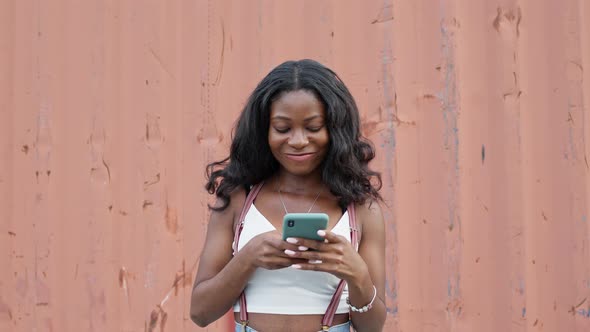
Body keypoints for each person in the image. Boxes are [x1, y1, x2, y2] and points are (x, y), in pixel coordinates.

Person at [190, 59, 386, 332]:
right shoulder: (239, 200)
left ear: (334, 129)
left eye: (313, 127)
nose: (298, 141)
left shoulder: (360, 208)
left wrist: (357, 274)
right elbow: (200, 313)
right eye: (283, 128)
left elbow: (373, 327)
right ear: (264, 130)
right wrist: (248, 257)